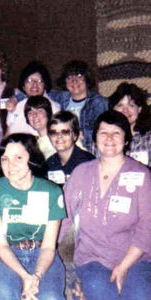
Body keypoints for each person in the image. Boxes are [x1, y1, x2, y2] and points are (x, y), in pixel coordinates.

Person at [60, 110, 151, 300]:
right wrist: (45, 251)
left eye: (116, 132)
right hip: (93, 258)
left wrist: (124, 266)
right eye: (103, 133)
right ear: (95, 139)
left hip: (137, 259)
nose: (109, 138)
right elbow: (63, 216)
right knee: (101, 293)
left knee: (139, 295)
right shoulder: (81, 173)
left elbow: (147, 228)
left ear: (126, 139)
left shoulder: (142, 175)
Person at [0, 133, 66, 300]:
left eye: (18, 158)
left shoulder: (52, 191)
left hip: (43, 253)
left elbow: (49, 246)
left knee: (51, 297)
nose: (10, 165)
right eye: (5, 159)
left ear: (31, 158)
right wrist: (26, 276)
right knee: (4, 295)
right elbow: (1, 245)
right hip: (7, 253)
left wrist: (37, 276)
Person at [49, 60, 108, 152]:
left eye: (79, 76)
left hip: (89, 152)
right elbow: (39, 92)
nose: (74, 81)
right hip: (64, 150)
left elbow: (105, 131)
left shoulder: (99, 103)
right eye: (69, 78)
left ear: (86, 79)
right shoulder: (61, 98)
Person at [6, 61, 60, 135]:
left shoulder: (53, 108)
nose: (34, 84)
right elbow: (9, 131)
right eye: (30, 80)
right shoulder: (16, 105)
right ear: (23, 86)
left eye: (39, 81)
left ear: (45, 86)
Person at [108, 82, 151, 167]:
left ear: (139, 109)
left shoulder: (148, 138)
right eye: (120, 105)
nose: (125, 110)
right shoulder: (105, 138)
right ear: (113, 109)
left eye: (131, 105)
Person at [46, 111, 94, 185]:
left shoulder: (88, 163)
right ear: (49, 136)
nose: (59, 136)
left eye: (65, 132)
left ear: (74, 135)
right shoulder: (48, 164)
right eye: (53, 132)